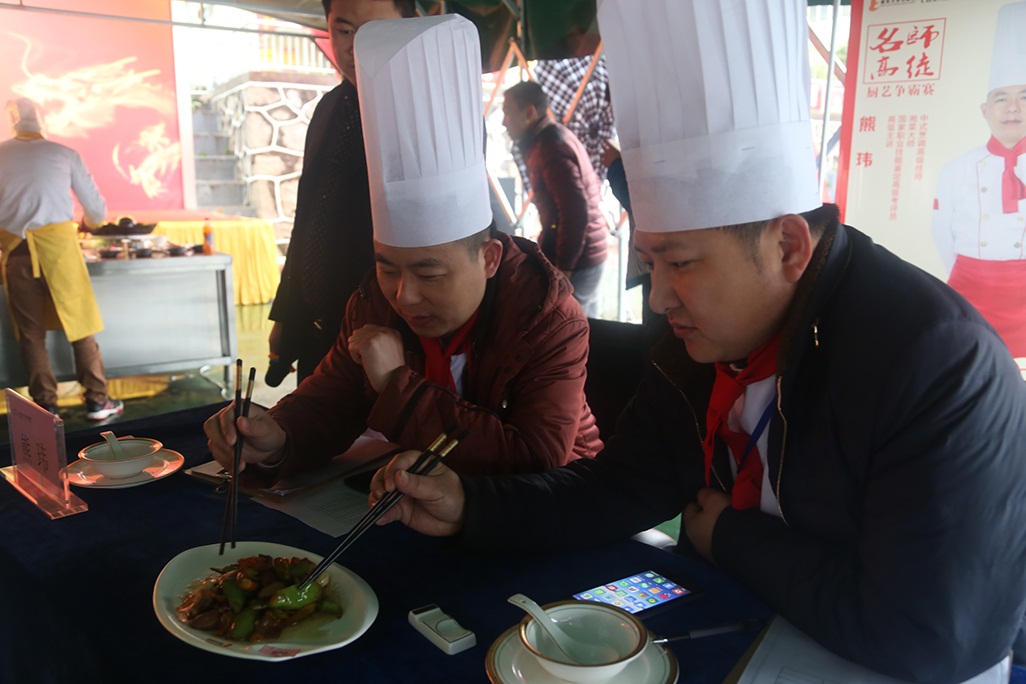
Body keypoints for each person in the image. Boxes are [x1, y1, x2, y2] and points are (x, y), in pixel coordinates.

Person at [368, 1, 1026, 682]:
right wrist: (470, 505)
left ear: (787, 246)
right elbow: (621, 487)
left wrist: (733, 538)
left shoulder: (934, 364)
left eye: (680, 263)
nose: (658, 298)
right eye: (649, 264)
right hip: (741, 623)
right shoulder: (702, 337)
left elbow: (933, 635)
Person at [206, 15, 602, 479]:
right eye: (388, 268)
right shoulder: (373, 303)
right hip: (426, 496)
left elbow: (535, 459)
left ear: (489, 258)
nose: (403, 295)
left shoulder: (545, 317)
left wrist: (398, 384)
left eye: (429, 274)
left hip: (562, 503)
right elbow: (330, 403)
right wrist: (278, 437)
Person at [267, 0, 416, 386]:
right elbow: (307, 218)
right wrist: (286, 315)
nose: (356, 47)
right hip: (317, 328)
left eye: (374, 32)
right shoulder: (329, 106)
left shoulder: (426, 111)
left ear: (409, 25)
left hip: (386, 335)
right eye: (345, 31)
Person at [0, 98, 123, 421]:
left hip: (16, 253)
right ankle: (97, 401)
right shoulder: (64, 153)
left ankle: (45, 407)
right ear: (40, 121)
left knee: (31, 335)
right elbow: (95, 211)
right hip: (61, 252)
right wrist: (89, 224)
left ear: (12, 122)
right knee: (81, 326)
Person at [932, 0, 1026, 360]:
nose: (1013, 108)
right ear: (985, 110)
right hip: (969, 293)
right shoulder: (956, 168)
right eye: (1001, 98)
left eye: (1024, 97)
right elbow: (943, 234)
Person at [502, 80, 608, 317]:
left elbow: (575, 212)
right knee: (586, 327)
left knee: (569, 327)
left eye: (508, 112)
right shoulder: (553, 137)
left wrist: (564, 268)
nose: (503, 121)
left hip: (579, 259)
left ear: (529, 112)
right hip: (586, 253)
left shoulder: (550, 146)